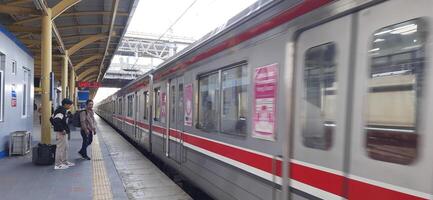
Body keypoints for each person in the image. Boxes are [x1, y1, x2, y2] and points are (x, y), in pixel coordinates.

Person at [53, 98, 75, 170]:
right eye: (69, 105)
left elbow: (51, 118)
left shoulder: (63, 110)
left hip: (63, 132)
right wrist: (61, 129)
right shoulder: (61, 111)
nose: (70, 106)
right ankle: (58, 164)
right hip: (61, 132)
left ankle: (64, 162)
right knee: (60, 148)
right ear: (65, 104)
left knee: (65, 147)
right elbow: (56, 120)